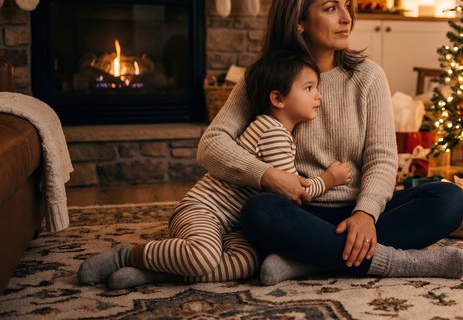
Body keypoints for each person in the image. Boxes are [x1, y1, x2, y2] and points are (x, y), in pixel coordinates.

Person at [197, 0, 463, 286]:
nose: (346, 18)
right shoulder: (267, 75)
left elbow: (382, 158)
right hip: (298, 213)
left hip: (357, 210)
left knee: (450, 199)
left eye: (347, 6)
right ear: (299, 21)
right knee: (258, 211)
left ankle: (305, 262)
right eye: (330, 8)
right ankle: (390, 261)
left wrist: (366, 213)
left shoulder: (368, 76)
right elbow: (211, 144)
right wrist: (268, 176)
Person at [77, 52, 352, 289]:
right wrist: (329, 179)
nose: (318, 95)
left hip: (232, 224)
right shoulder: (273, 133)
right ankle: (127, 255)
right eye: (308, 88)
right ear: (278, 98)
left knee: (247, 263)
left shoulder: (278, 131)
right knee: (203, 257)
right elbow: (297, 193)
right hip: (202, 210)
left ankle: (157, 272)